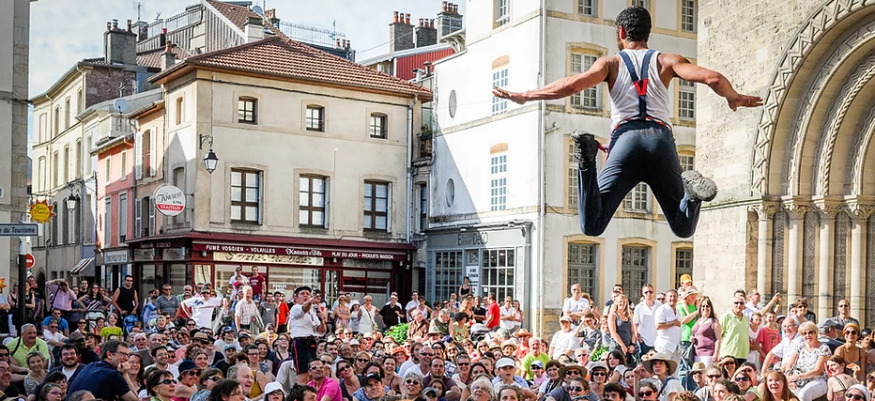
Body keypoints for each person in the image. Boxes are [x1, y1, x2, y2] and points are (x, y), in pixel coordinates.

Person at [494, 5, 762, 238]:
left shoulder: (610, 64)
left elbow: (572, 85)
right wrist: (733, 97)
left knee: (592, 225)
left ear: (621, 32)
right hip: (660, 142)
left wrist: (527, 95)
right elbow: (713, 78)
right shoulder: (668, 61)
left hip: (626, 142)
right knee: (683, 228)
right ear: (648, 33)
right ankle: (691, 195)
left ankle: (587, 160)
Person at [66, 339, 138, 401]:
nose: (126, 358)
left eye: (128, 355)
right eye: (123, 354)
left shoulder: (90, 366)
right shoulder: (113, 374)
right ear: (109, 355)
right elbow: (135, 399)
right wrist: (125, 374)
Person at [289, 286, 328, 385]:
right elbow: (303, 309)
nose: (305, 296)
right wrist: (311, 301)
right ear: (296, 298)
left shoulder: (313, 312)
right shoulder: (295, 308)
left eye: (308, 294)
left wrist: (322, 320)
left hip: (312, 341)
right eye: (302, 294)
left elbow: (320, 331)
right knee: (303, 375)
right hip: (300, 342)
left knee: (312, 374)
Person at [782, 321, 830, 401]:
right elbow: (789, 365)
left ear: (815, 333)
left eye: (810, 332)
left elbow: (817, 370)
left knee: (803, 395)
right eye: (804, 333)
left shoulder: (823, 348)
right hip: (798, 379)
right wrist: (790, 379)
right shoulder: (800, 346)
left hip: (817, 380)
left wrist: (797, 377)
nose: (807, 335)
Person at [720, 296, 751, 366]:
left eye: (741, 303)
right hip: (728, 354)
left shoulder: (746, 319)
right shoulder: (726, 317)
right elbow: (718, 336)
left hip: (743, 354)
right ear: (732, 305)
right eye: (736, 303)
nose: (739, 305)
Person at [691, 296, 721, 367]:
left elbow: (718, 339)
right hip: (696, 353)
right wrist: (691, 337)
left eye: (707, 306)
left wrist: (716, 354)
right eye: (703, 306)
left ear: (711, 308)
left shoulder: (714, 322)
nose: (705, 308)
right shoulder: (698, 320)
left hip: (708, 354)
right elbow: (694, 333)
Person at [633, 283, 661, 357]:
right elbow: (635, 323)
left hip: (658, 340)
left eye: (650, 292)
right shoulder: (639, 307)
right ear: (642, 293)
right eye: (646, 292)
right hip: (644, 340)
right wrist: (638, 337)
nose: (648, 294)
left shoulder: (660, 306)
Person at [654, 289, 681, 362]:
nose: (673, 298)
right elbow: (658, 326)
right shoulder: (662, 310)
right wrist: (673, 323)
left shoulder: (678, 311)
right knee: (663, 367)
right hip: (665, 346)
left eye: (675, 296)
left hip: (676, 347)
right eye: (670, 296)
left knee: (675, 368)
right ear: (666, 298)